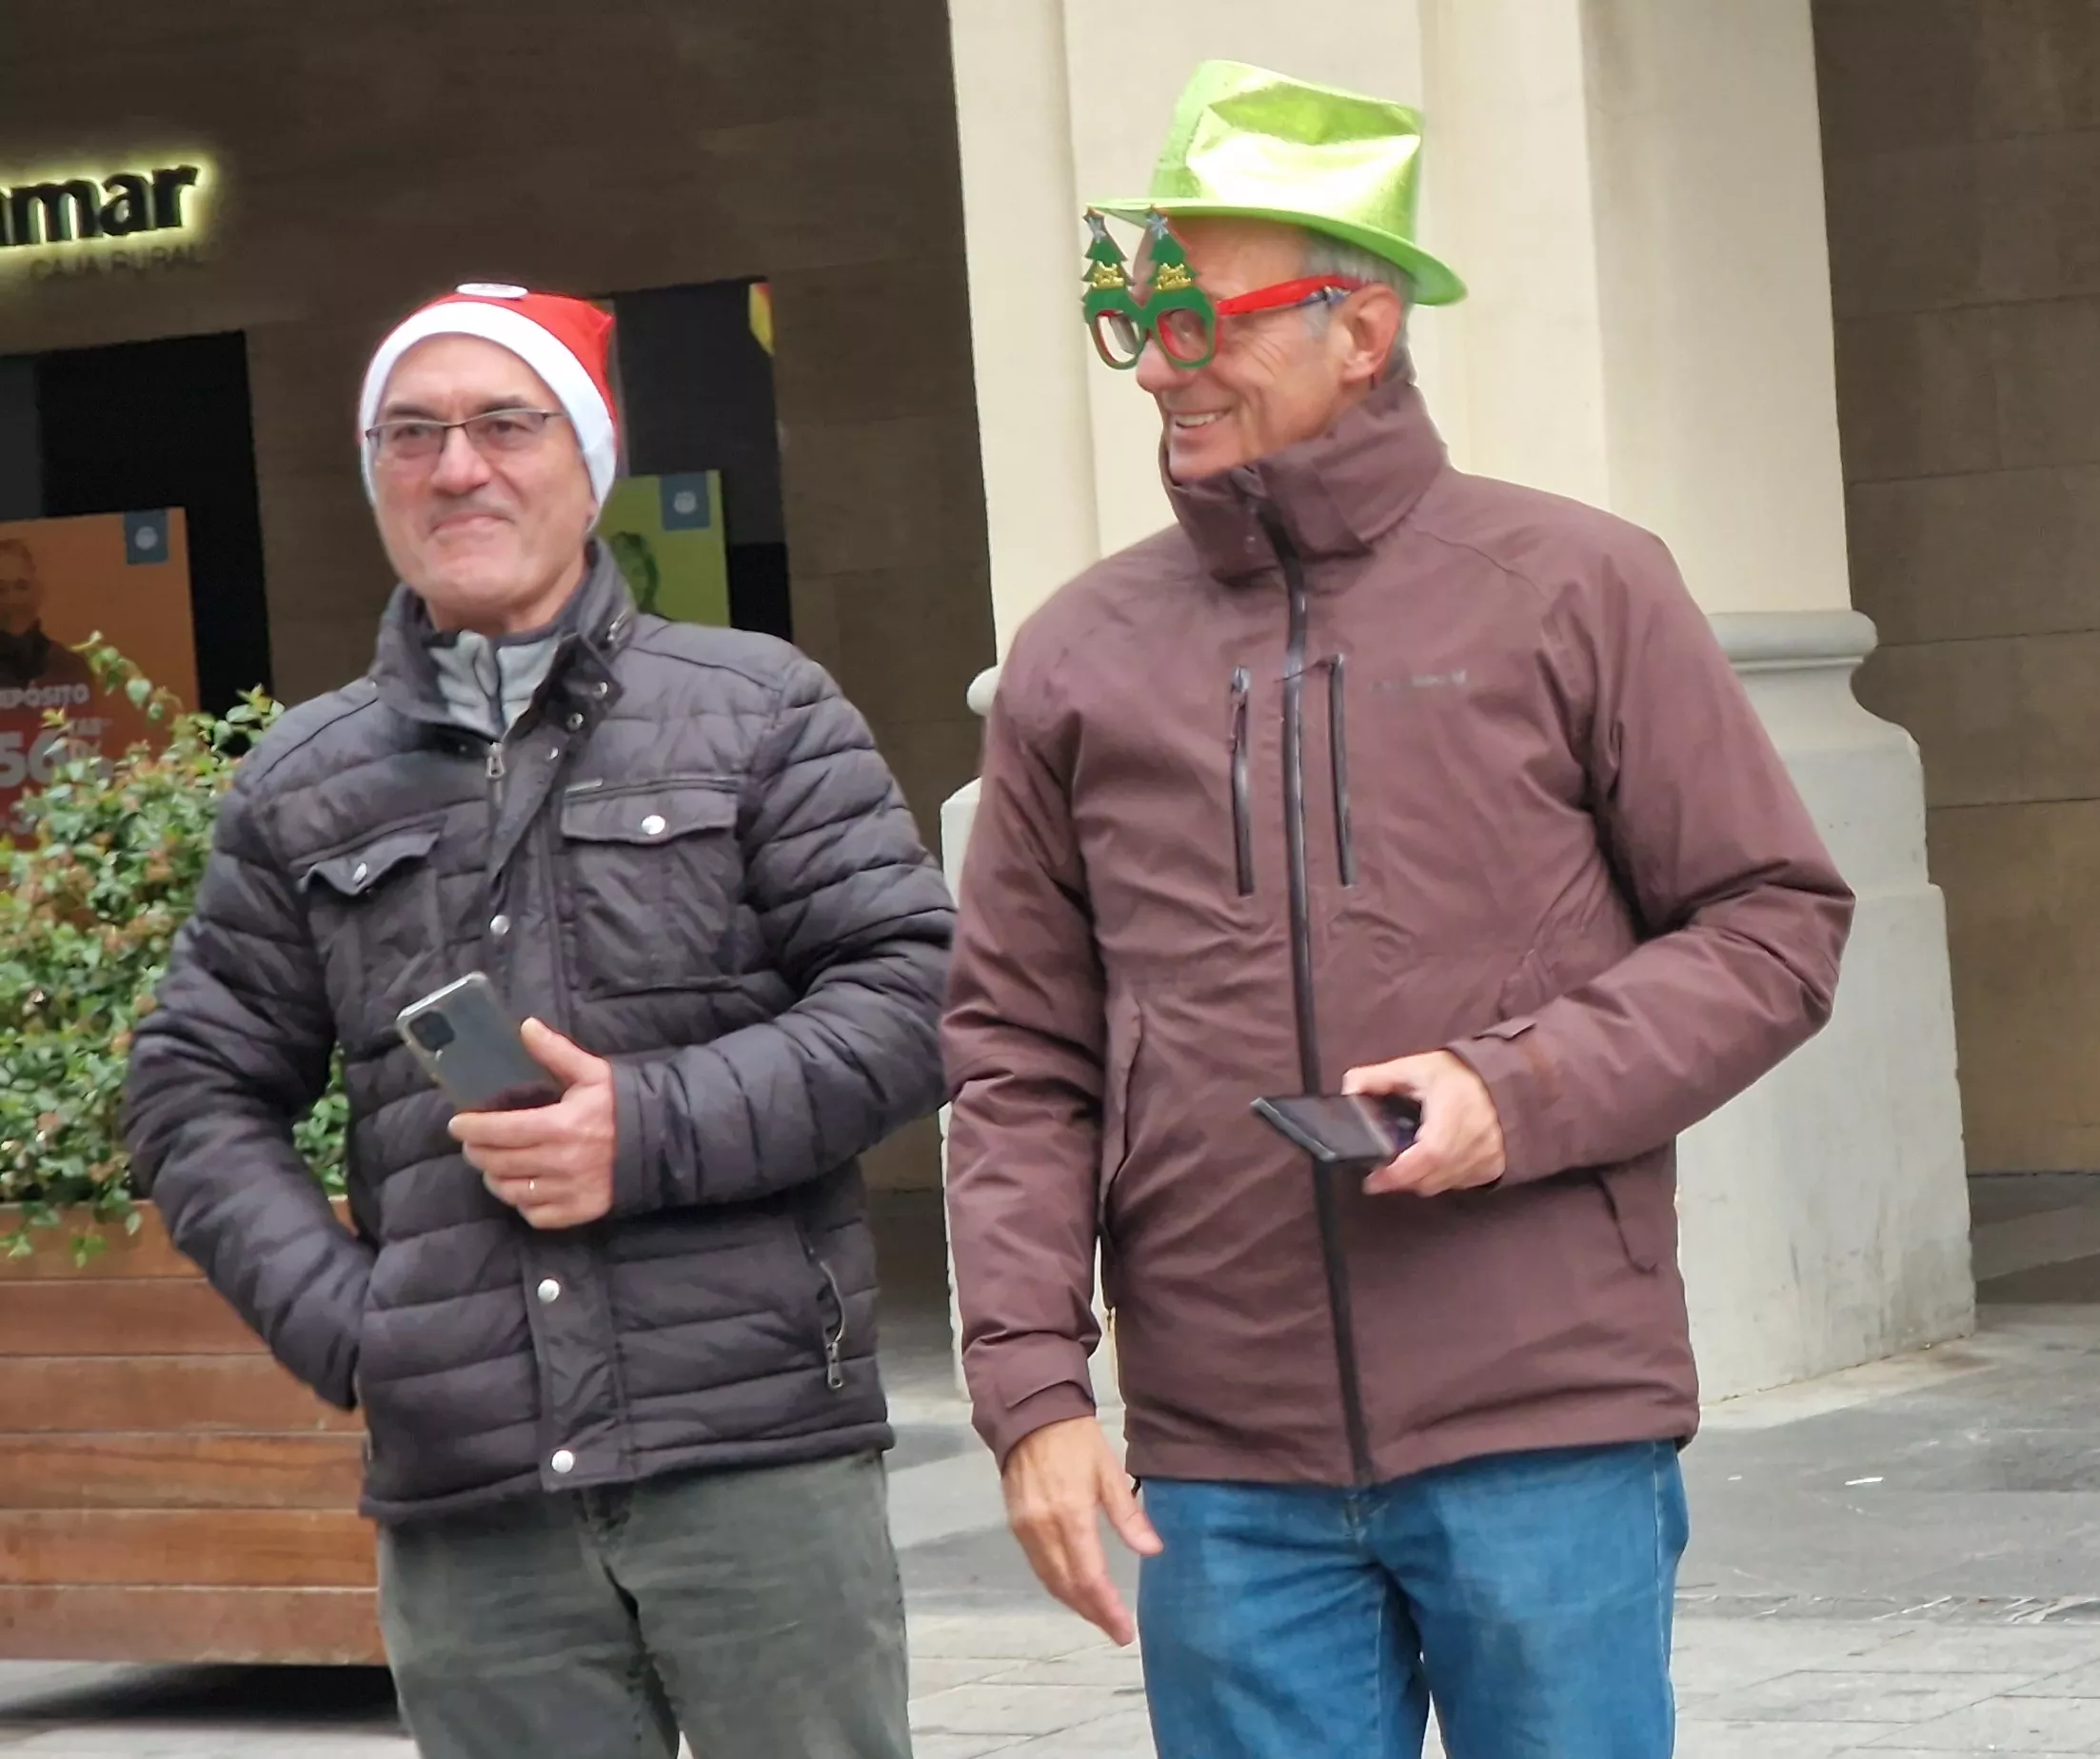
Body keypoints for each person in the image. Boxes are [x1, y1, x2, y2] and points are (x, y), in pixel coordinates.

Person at [944, 63, 1851, 1759]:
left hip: (1543, 1422)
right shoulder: (1072, 655)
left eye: (1200, 316)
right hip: (1222, 1464)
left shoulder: (1581, 585)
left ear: (1358, 327)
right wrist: (1032, 1391)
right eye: (1126, 309)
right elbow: (1015, 1050)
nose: (1156, 359)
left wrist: (1525, 1088)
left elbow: (1774, 919)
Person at [124, 285, 951, 1759]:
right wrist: (356, 1332)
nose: (460, 468)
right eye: (415, 433)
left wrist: (650, 1128)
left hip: (750, 1450)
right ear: (376, 476)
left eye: (506, 424)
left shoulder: (761, 710)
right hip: (472, 1492)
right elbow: (193, 1087)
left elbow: (915, 996)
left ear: (588, 460)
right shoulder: (300, 782)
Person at [0, 536, 99, 708]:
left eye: (21, 586)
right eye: (0, 589)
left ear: (38, 592)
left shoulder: (71, 668)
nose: (12, 599)